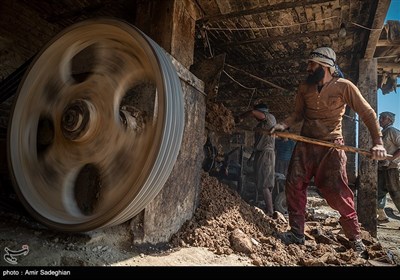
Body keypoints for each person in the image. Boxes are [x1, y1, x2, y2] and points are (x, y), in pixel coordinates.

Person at [270, 47, 387, 257]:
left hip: (331, 146)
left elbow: (367, 113)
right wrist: (283, 125)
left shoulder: (344, 87)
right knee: (294, 185)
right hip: (306, 143)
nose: (308, 68)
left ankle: (355, 238)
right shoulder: (305, 87)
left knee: (336, 192)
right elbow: (297, 114)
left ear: (325, 66)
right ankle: (297, 233)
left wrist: (378, 142)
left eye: (311, 64)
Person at [236, 103, 276, 216]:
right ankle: (266, 206)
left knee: (265, 183)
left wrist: (241, 117)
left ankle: (270, 211)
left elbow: (253, 112)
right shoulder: (263, 124)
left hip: (266, 153)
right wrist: (253, 157)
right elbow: (258, 142)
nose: (254, 118)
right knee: (261, 181)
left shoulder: (269, 117)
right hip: (260, 153)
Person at [377, 111, 400, 222]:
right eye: (380, 117)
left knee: (396, 193)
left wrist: (392, 158)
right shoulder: (383, 132)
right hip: (382, 167)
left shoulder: (392, 131)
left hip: (392, 168)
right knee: (379, 191)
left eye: (383, 118)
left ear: (389, 120)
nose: (380, 120)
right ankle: (381, 216)